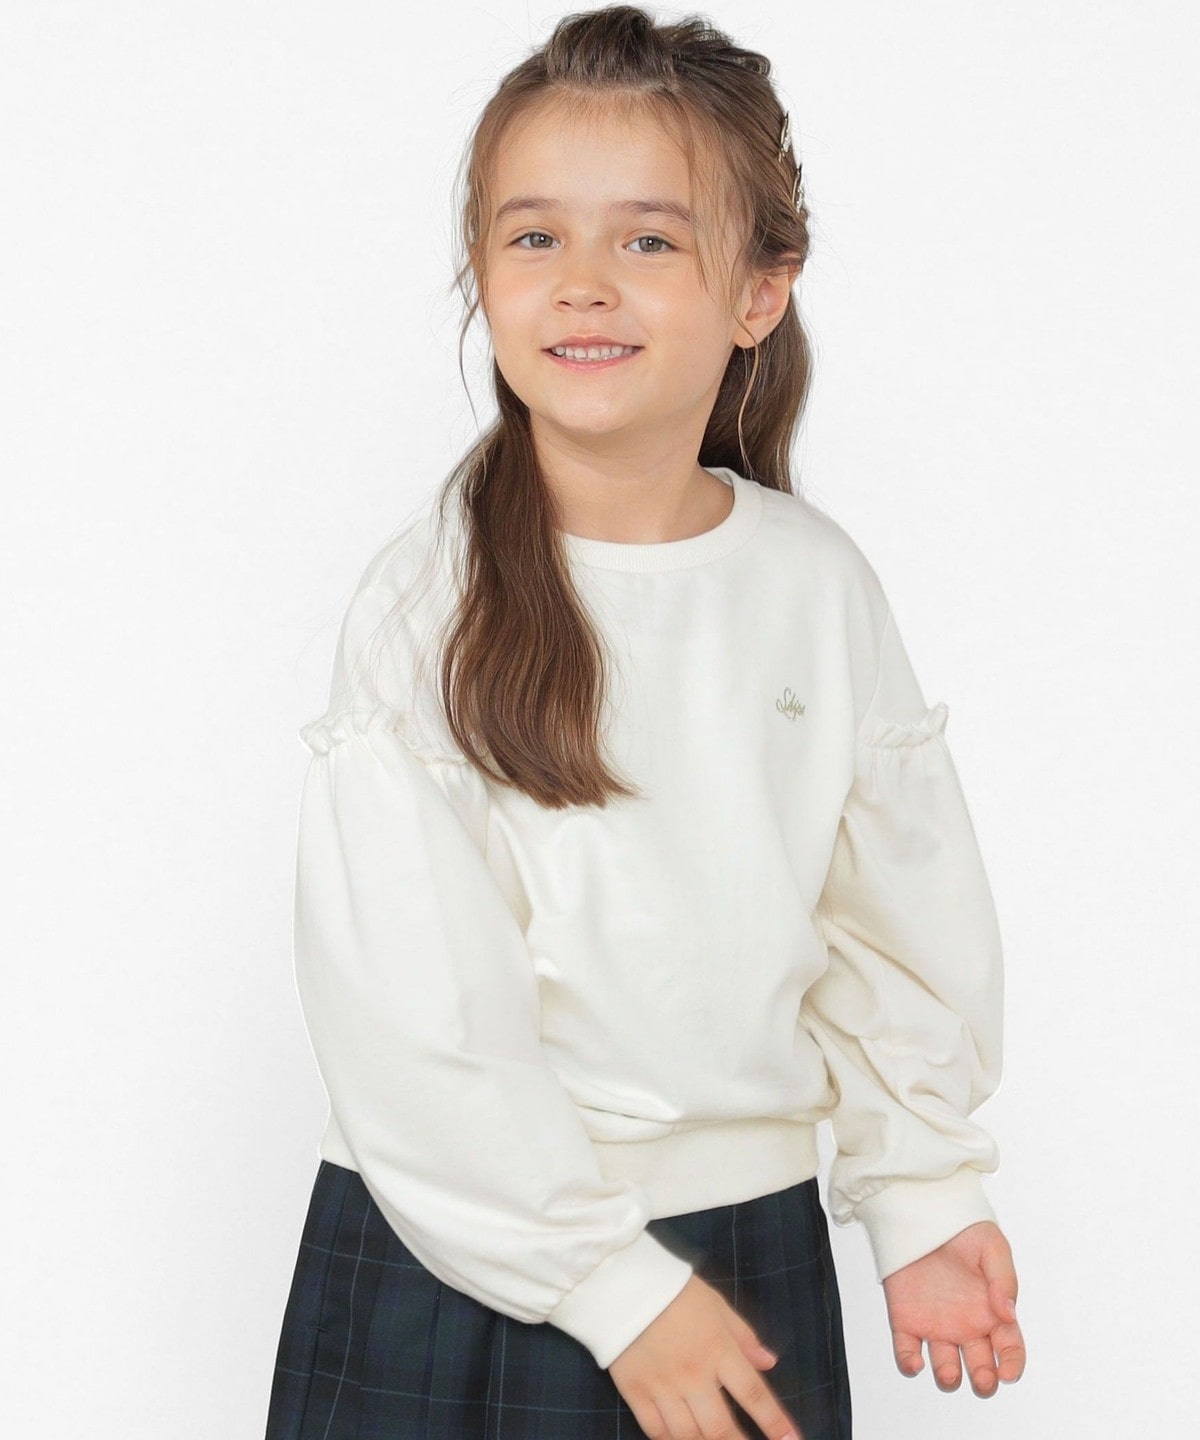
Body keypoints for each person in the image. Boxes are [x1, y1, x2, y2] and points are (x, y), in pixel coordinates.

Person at [264, 6, 1027, 1438]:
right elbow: (412, 1018)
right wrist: (609, 1286)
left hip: (746, 1250)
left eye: (651, 241)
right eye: (534, 236)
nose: (584, 285)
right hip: (465, 1265)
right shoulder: (428, 604)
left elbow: (888, 916)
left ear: (761, 290)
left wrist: (924, 1192)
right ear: (481, 272)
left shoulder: (813, 585)